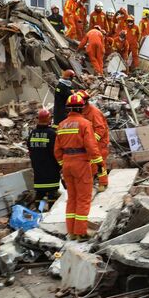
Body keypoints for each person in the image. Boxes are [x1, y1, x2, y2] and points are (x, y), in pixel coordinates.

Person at [54, 94, 103, 240]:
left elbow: (57, 150)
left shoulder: (61, 125)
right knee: (83, 198)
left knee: (72, 198)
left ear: (68, 108)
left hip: (67, 164)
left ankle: (72, 231)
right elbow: (91, 146)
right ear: (82, 108)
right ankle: (81, 232)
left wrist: (63, 165)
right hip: (81, 163)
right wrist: (99, 163)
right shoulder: (84, 123)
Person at [27, 109, 61, 209]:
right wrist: (60, 164)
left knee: (40, 192)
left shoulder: (33, 133)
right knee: (51, 192)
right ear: (48, 119)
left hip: (38, 168)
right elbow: (56, 151)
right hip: (51, 169)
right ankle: (50, 210)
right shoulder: (51, 134)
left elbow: (29, 148)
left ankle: (39, 210)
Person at [76, 90, 110, 192]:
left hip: (99, 143)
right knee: (88, 163)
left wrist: (92, 141)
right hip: (88, 142)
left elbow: (101, 129)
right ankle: (90, 181)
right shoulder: (81, 112)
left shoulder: (94, 112)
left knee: (99, 162)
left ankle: (103, 183)